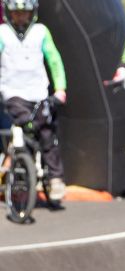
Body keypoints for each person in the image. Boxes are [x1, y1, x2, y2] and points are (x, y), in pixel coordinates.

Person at [0, 0, 66, 203]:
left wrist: (60, 88)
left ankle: (55, 177)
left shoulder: (40, 32)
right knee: (25, 123)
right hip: (12, 93)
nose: (20, 17)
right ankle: (21, 168)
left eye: (24, 13)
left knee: (47, 132)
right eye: (16, 13)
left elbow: (54, 59)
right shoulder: (3, 33)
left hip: (38, 93)